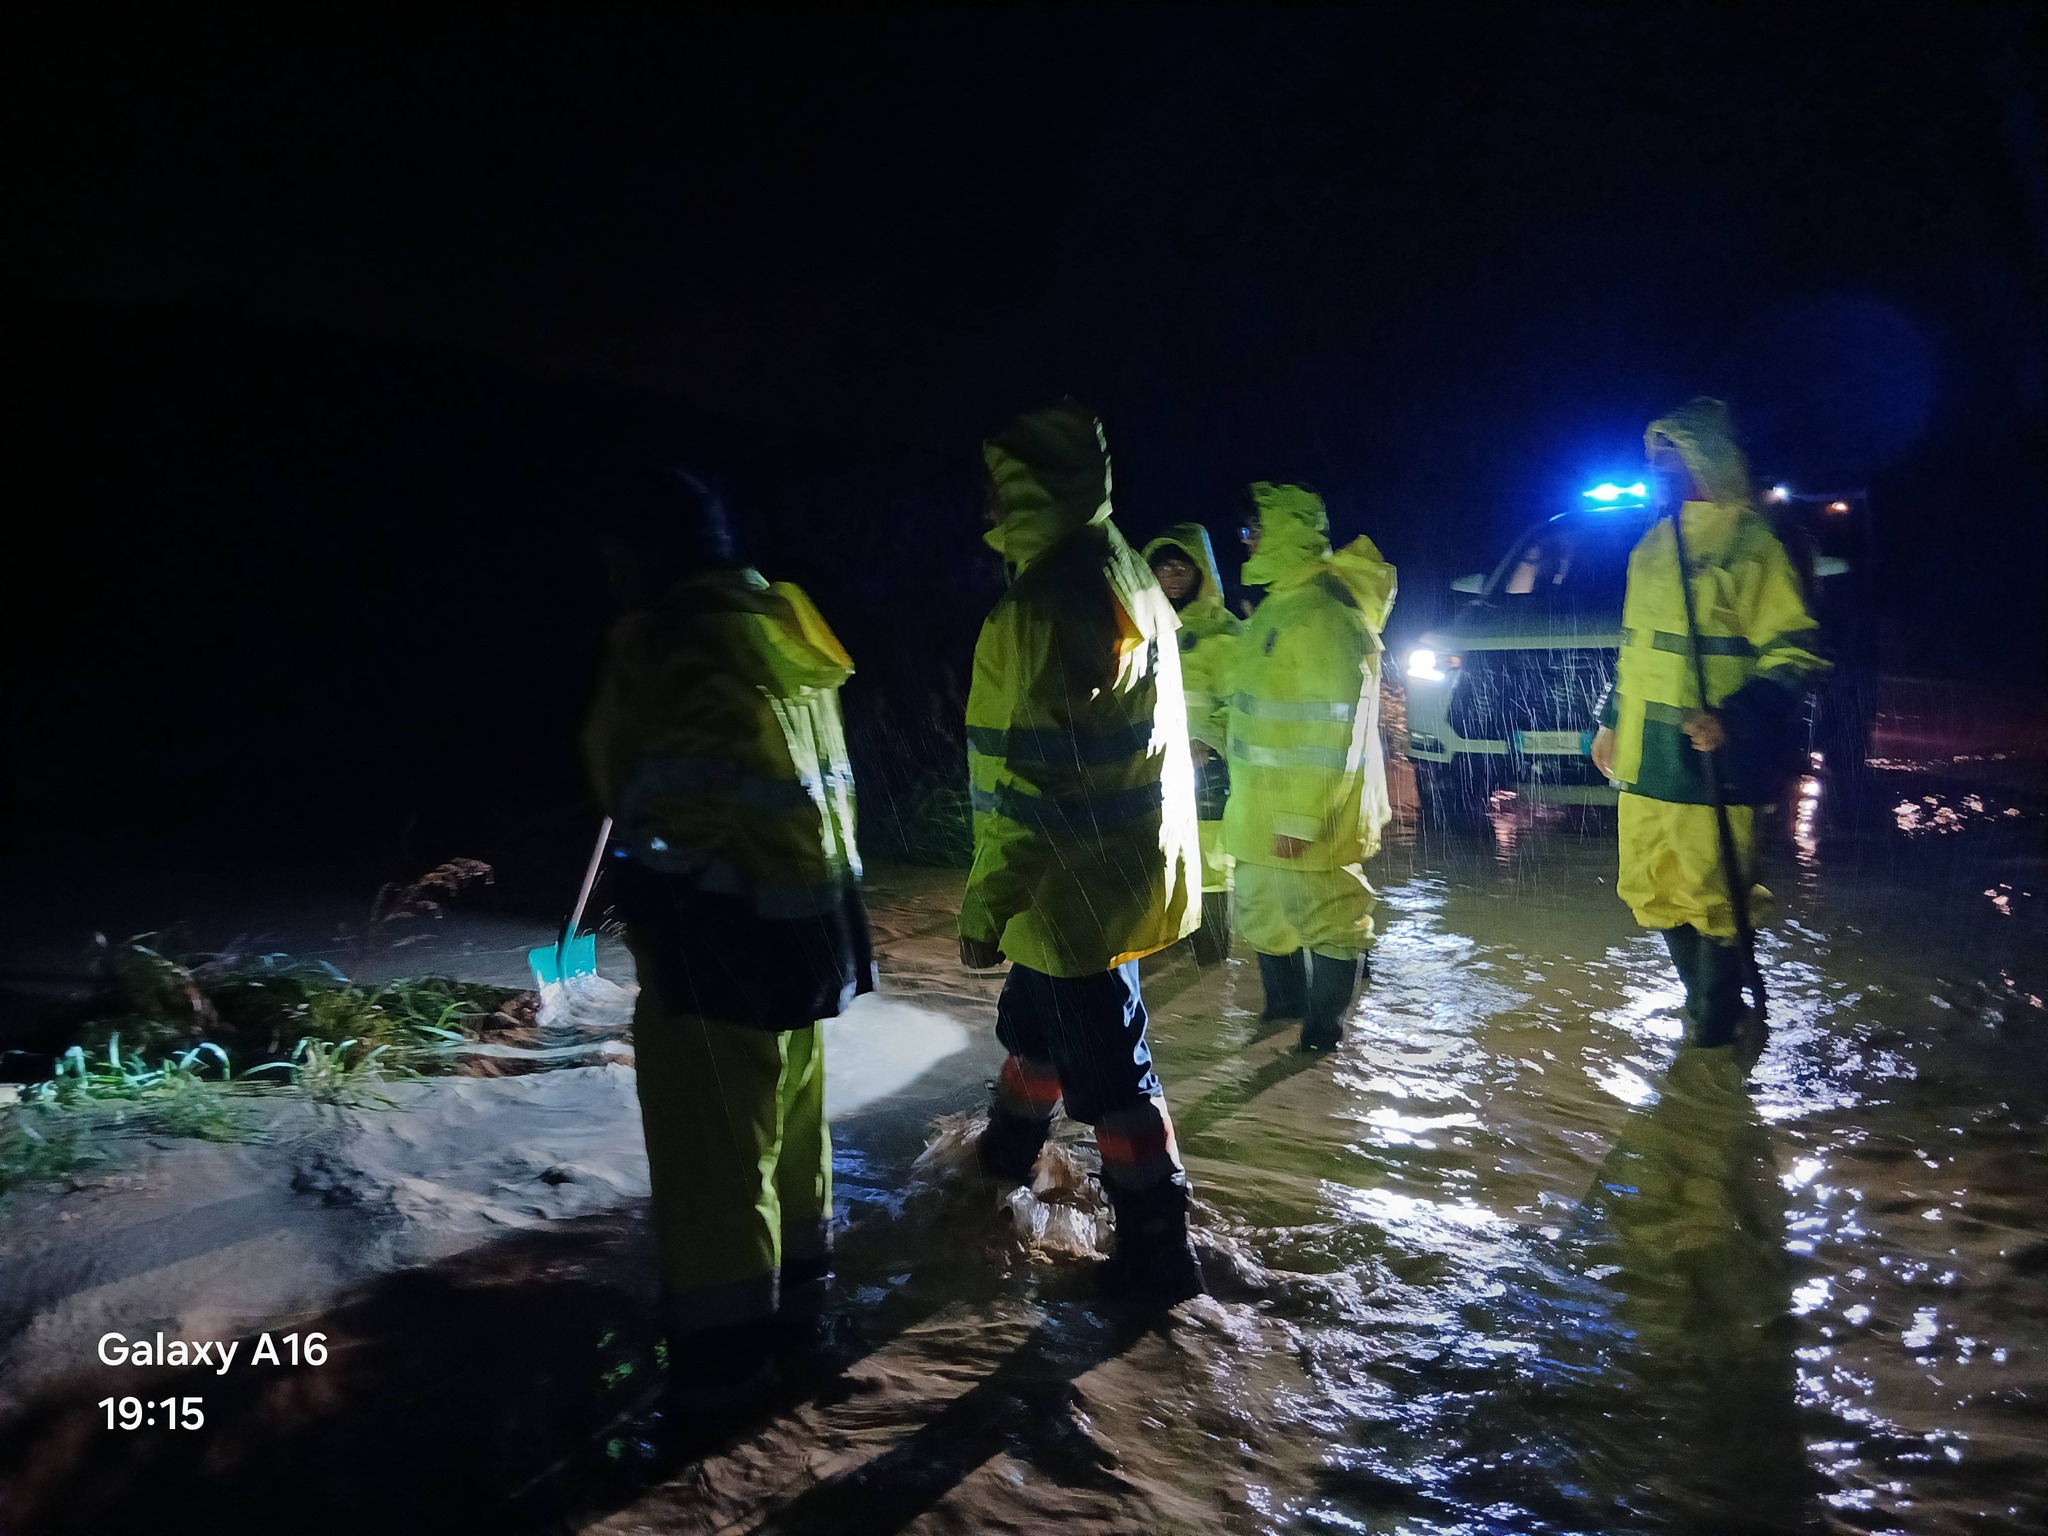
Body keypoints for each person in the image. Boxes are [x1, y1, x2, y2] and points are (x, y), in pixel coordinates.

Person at [583, 467, 874, 1407]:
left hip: (718, 939)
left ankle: (725, 1368)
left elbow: (663, 806)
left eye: (616, 556)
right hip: (809, 931)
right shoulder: (777, 628)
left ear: (643, 556)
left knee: (715, 1160)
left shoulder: (678, 644)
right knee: (791, 1135)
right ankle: (803, 1319)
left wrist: (654, 911)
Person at [958, 402, 1207, 1305]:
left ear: (1030, 489)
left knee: (1114, 1081)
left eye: (997, 484)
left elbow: (1034, 781)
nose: (984, 503)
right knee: (1035, 1032)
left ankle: (1159, 1256)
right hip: (1113, 873)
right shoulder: (1123, 569)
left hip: (1067, 889)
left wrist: (988, 904)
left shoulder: (1045, 604)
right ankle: (1001, 1165)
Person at [1590, 399, 1829, 1050]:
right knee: (1650, 886)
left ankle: (1712, 1024)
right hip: (1647, 758)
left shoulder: (1752, 544)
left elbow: (1795, 653)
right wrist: (1610, 720)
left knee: (1714, 894)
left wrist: (1737, 716)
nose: (1660, 469)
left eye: (1673, 456)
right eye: (1655, 457)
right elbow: (1636, 649)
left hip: (1715, 760)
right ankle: (1706, 1006)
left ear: (1707, 459)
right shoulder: (1652, 545)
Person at [1225, 482, 1397, 1053]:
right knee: (1263, 914)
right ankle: (1281, 1019)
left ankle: (1322, 1039)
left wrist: (1301, 817)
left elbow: (1332, 730)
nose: (1246, 542)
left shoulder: (1323, 613)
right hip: (1260, 807)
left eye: (1253, 530)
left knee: (1330, 920)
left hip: (1308, 811)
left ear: (1283, 532)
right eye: (1243, 531)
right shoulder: (1280, 606)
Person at [1142, 524, 1242, 964]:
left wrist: (1208, 744)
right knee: (1159, 852)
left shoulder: (1224, 631)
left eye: (1183, 566)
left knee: (1211, 860)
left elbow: (1241, 703)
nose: (1174, 575)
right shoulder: (1140, 627)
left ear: (1201, 570)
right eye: (1164, 566)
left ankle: (1212, 953)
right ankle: (1169, 940)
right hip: (1152, 762)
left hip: (1206, 763)